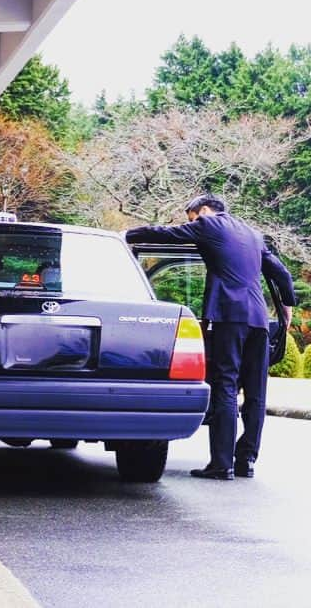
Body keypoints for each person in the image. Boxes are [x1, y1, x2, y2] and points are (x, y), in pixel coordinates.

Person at [125, 195, 296, 480]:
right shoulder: (252, 234)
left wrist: (128, 234)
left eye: (191, 218)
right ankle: (246, 461)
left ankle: (221, 464)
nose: (191, 224)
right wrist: (287, 311)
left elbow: (166, 235)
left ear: (202, 211)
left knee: (225, 385)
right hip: (259, 321)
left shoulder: (209, 225)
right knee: (256, 393)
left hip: (228, 316)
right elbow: (282, 274)